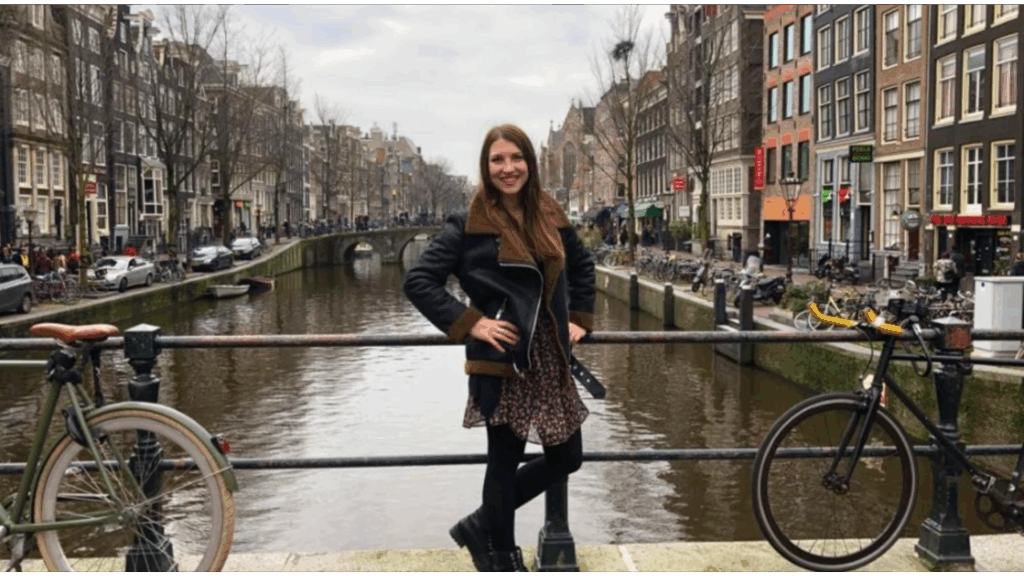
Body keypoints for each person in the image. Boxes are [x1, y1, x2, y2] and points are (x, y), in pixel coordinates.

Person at [404, 124, 595, 572]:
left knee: (568, 456)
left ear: (530, 162)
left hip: (549, 357)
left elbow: (582, 266)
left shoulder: (549, 212)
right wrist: (473, 323)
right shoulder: (468, 223)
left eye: (516, 158)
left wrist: (579, 318)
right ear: (486, 167)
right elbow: (419, 280)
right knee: (504, 461)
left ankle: (480, 524)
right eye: (498, 160)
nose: (508, 168)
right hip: (503, 358)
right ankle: (503, 557)